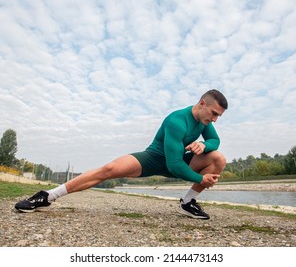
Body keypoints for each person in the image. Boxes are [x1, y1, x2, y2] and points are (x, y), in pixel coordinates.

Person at [15, 89, 228, 220]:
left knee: (219, 157)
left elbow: (214, 141)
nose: (215, 119)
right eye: (214, 113)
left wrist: (203, 145)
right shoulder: (177, 121)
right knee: (109, 169)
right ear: (202, 104)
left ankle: (187, 203)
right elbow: (172, 166)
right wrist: (201, 178)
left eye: (218, 116)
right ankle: (48, 196)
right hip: (154, 158)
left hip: (182, 159)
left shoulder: (204, 121)